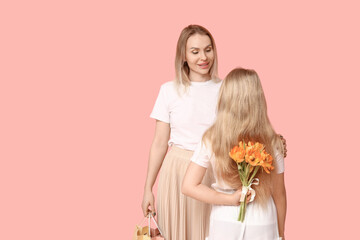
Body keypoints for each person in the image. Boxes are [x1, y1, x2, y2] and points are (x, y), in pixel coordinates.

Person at [182, 68, 287, 240]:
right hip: (263, 218)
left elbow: (188, 186)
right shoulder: (273, 141)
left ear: (225, 97)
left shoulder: (211, 138)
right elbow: (279, 193)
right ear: (259, 99)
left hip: (225, 218)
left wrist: (230, 199)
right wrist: (281, 233)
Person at [141, 24, 222, 240]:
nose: (203, 57)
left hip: (213, 172)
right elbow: (159, 143)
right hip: (176, 171)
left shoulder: (225, 89)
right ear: (183, 56)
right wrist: (148, 187)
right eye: (195, 52)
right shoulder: (168, 90)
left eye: (208, 49)